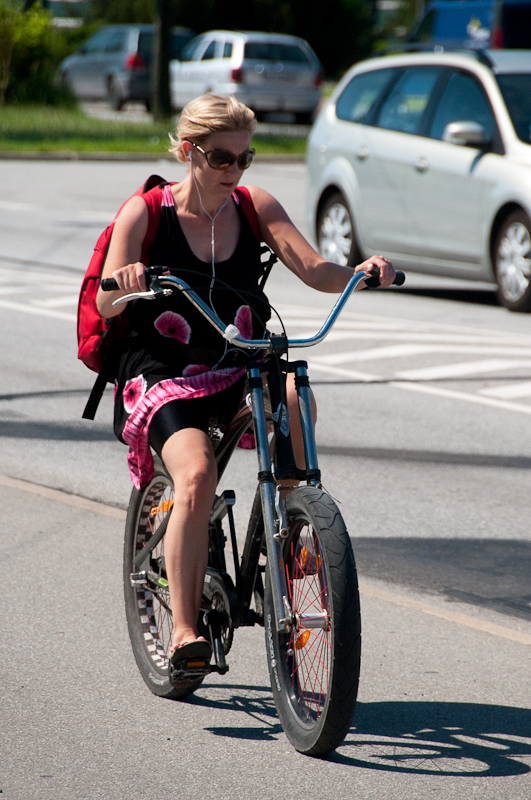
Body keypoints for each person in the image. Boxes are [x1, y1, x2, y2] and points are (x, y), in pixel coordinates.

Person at [96, 94, 395, 671]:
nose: (235, 169)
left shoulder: (253, 206)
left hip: (240, 356)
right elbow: (106, 302)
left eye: (245, 157)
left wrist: (358, 272)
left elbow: (313, 268)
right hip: (165, 370)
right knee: (196, 475)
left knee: (295, 395)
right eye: (222, 157)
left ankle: (294, 522)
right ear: (189, 152)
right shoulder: (146, 212)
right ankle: (185, 631)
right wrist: (125, 280)